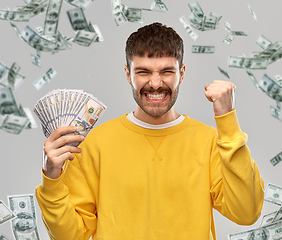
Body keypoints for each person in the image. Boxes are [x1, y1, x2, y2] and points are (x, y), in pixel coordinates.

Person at [35, 22, 265, 240]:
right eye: (143, 72)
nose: (155, 83)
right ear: (128, 74)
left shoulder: (210, 141)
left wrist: (228, 122)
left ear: (182, 73)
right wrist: (52, 178)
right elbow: (70, 235)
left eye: (166, 71)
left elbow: (246, 212)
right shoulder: (96, 143)